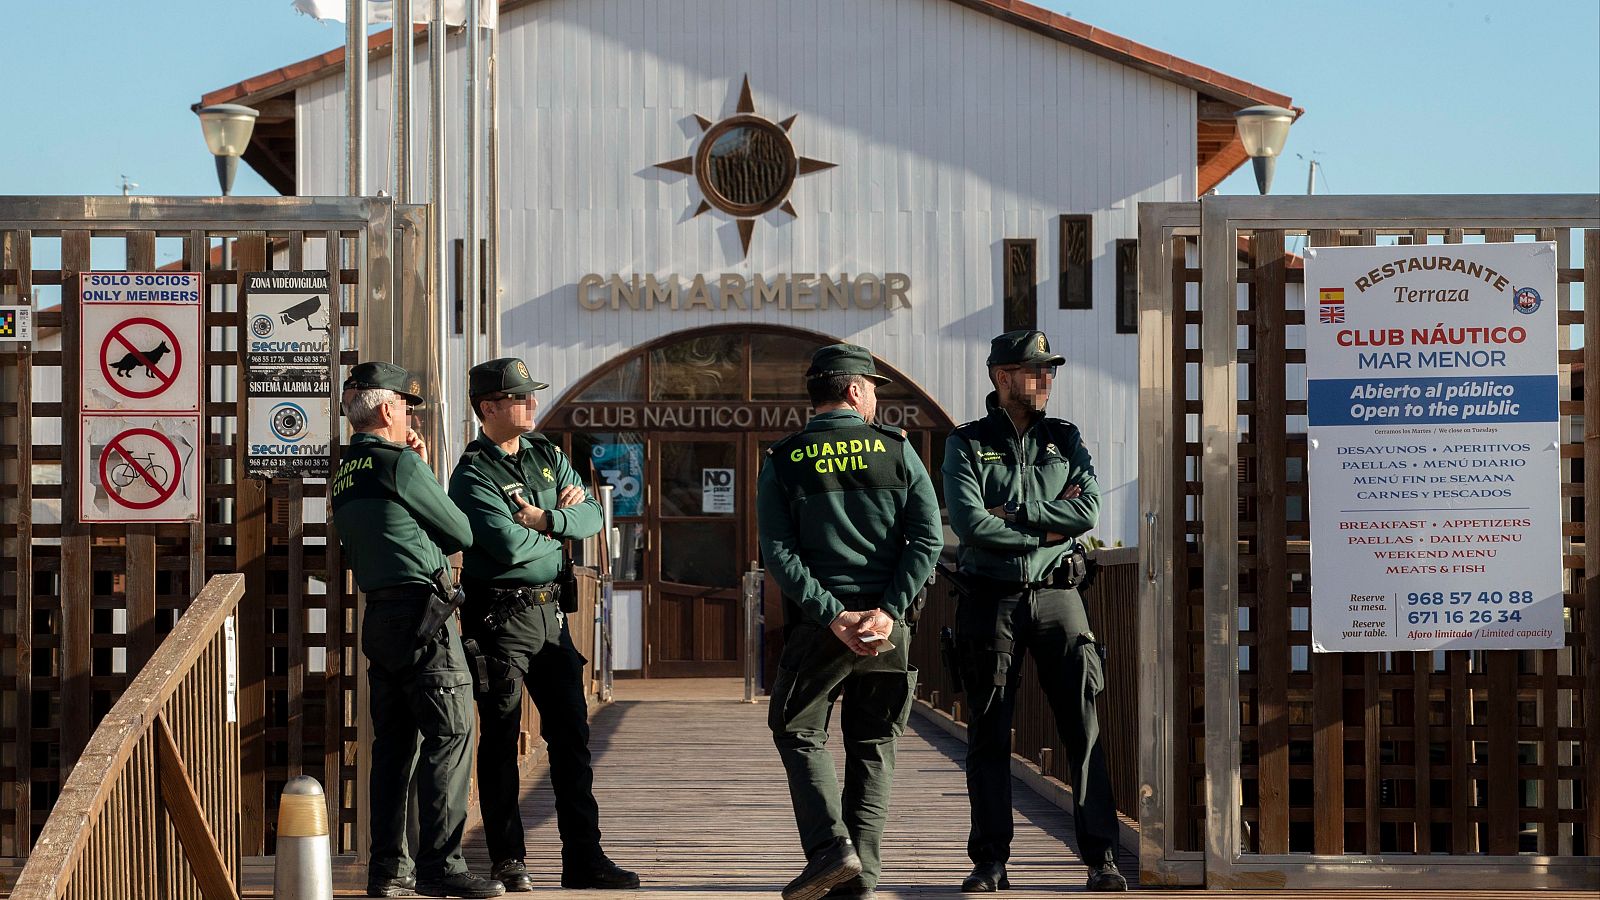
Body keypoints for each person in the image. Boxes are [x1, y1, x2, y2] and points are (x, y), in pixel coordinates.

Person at [941, 331, 1127, 893]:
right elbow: (970, 523)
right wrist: (1046, 528)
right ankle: (990, 861)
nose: (1046, 379)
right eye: (1034, 370)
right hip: (990, 598)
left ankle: (1102, 858)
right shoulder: (966, 443)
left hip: (1058, 596)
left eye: (1049, 370)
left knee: (1084, 729)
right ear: (1002, 376)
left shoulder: (1063, 438)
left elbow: (1087, 511)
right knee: (988, 733)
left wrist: (1016, 513)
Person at [758, 344, 944, 900]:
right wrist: (888, 611)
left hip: (821, 629)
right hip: (888, 630)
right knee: (873, 743)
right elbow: (928, 540)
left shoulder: (785, 458)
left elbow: (779, 554)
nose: (874, 401)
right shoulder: (897, 450)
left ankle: (829, 849)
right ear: (855, 390)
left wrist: (834, 615)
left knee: (797, 729)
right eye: (873, 390)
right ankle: (859, 878)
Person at [447, 357, 639, 893]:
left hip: (551, 617)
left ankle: (584, 857)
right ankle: (508, 859)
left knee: (572, 736)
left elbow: (593, 516)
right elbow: (506, 546)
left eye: (530, 394)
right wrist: (557, 534)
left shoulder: (546, 454)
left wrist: (545, 519)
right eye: (519, 396)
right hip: (499, 619)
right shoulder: (473, 475)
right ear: (488, 407)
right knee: (501, 738)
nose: (531, 403)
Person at [330, 361, 505, 899]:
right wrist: (421, 468)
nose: (410, 416)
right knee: (450, 736)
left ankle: (388, 870)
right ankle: (441, 865)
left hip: (380, 617)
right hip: (425, 616)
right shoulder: (399, 463)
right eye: (406, 406)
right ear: (387, 410)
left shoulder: (346, 470)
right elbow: (460, 532)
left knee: (393, 747)